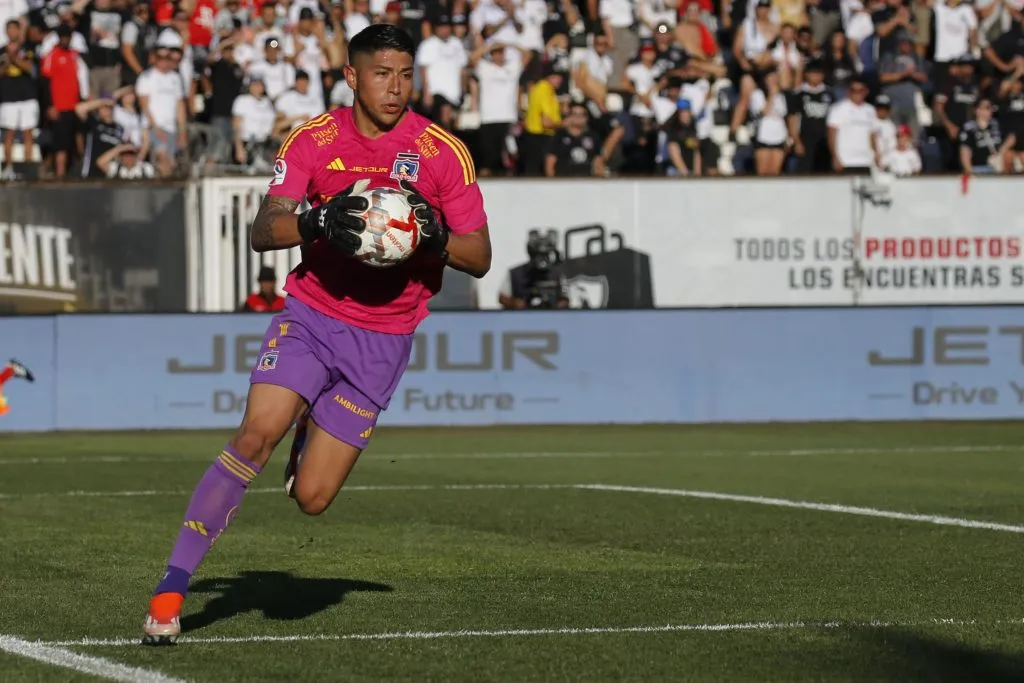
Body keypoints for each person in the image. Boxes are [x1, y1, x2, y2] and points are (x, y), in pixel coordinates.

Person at [141, 23, 492, 645]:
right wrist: (319, 218)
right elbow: (262, 229)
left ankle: (309, 437)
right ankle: (170, 591)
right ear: (351, 76)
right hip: (312, 314)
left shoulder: (442, 152)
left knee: (312, 498)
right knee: (254, 435)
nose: (396, 87)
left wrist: (430, 235)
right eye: (381, 73)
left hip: (383, 338)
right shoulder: (314, 139)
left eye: (406, 74)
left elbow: (480, 255)